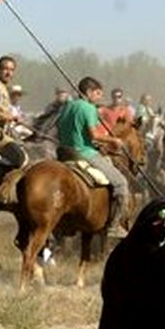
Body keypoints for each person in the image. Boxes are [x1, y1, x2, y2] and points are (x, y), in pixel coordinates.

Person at [56, 76, 130, 238]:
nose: (99, 97)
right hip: (84, 154)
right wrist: (114, 140)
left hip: (64, 153)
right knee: (121, 183)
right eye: (97, 93)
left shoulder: (67, 106)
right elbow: (94, 134)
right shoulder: (88, 108)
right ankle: (114, 225)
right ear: (88, 92)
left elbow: (61, 130)